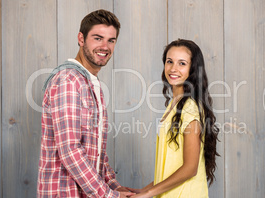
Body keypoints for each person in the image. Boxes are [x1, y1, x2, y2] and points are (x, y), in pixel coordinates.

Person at [37, 9, 134, 198]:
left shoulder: (89, 82)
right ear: (81, 39)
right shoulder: (68, 81)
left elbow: (96, 151)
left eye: (111, 40)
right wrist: (107, 195)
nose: (105, 46)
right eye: (97, 38)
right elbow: (70, 149)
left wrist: (114, 186)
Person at [128, 39, 220, 197]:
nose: (173, 68)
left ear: (192, 69)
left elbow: (190, 168)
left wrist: (148, 193)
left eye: (182, 63)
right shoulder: (174, 105)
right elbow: (169, 167)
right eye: (169, 61)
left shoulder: (189, 109)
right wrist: (142, 190)